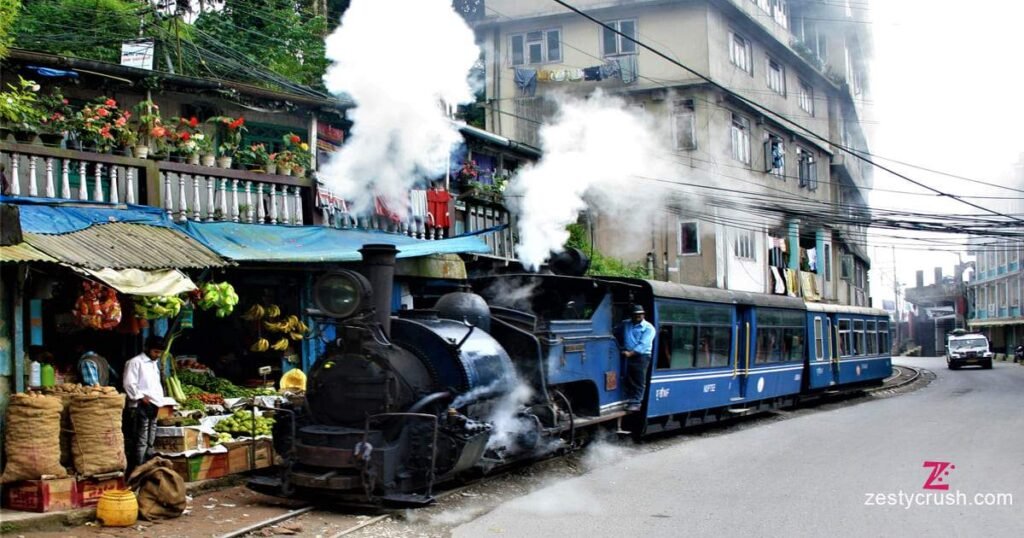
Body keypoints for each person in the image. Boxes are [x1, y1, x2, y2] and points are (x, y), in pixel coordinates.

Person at [123, 336, 167, 471]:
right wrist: (141, 397)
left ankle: (148, 465)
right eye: (155, 352)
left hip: (154, 403)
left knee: (151, 438)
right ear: (146, 348)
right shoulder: (135, 362)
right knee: (141, 438)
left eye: (160, 352)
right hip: (141, 405)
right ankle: (138, 467)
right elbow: (129, 383)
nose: (157, 355)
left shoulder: (154, 363)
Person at [620, 304, 655, 412]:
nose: (637, 316)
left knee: (638, 379)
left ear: (643, 315)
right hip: (627, 353)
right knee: (628, 377)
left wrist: (630, 353)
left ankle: (636, 402)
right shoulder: (626, 324)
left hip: (641, 356)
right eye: (635, 315)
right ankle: (628, 399)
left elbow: (643, 344)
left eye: (640, 314)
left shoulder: (649, 328)